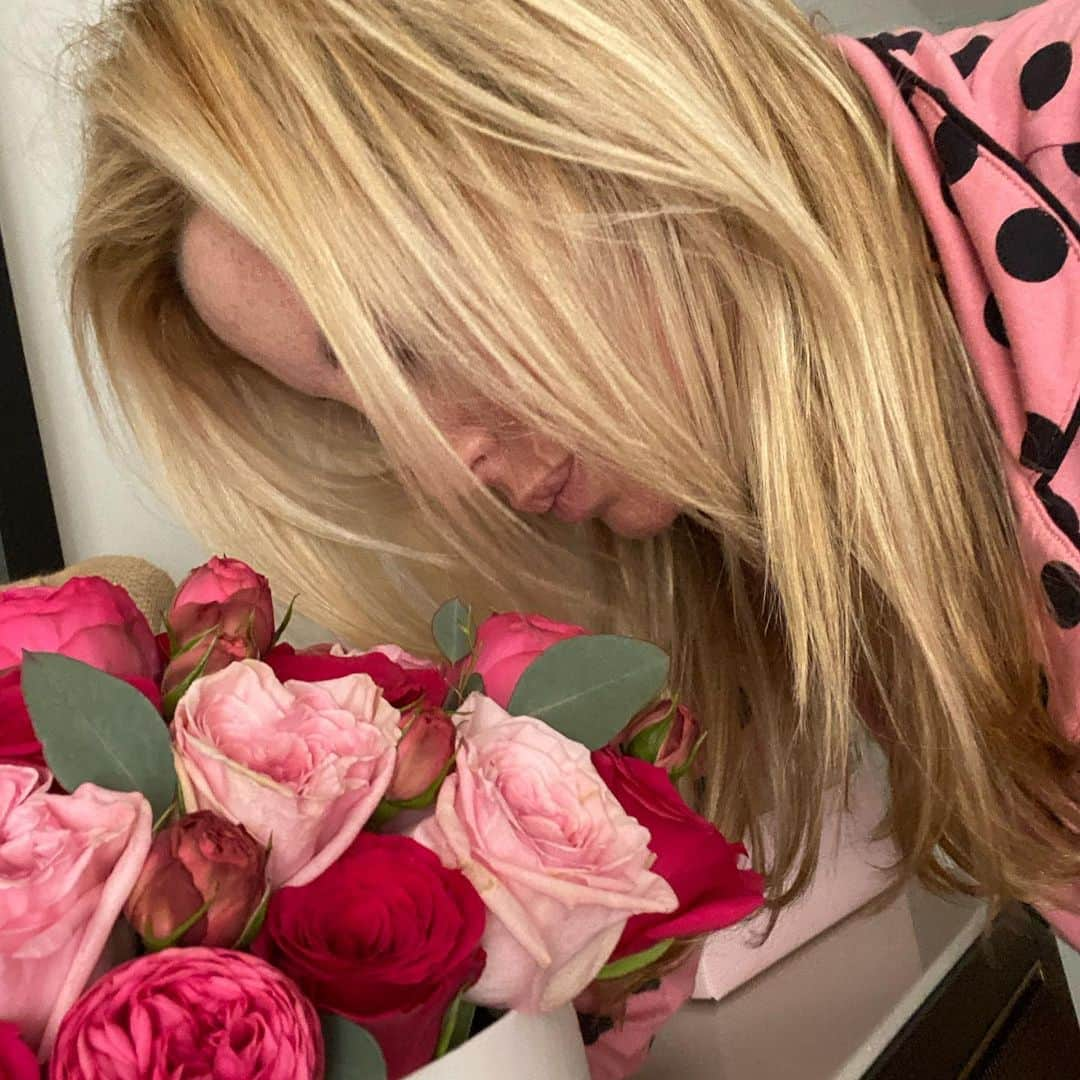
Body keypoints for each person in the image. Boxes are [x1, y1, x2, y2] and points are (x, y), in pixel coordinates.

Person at [66, 0, 1078, 1072]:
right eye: (356, 408)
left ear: (568, 109)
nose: (437, 472)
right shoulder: (799, 506)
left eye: (404, 338)